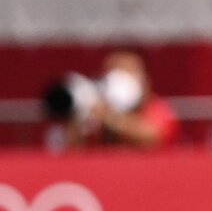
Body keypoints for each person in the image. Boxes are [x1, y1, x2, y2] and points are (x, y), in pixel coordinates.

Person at [49, 50, 180, 149]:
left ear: (144, 79)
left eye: (126, 73)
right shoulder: (94, 108)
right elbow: (69, 151)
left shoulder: (158, 108)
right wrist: (79, 119)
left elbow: (151, 137)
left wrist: (108, 116)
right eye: (112, 72)